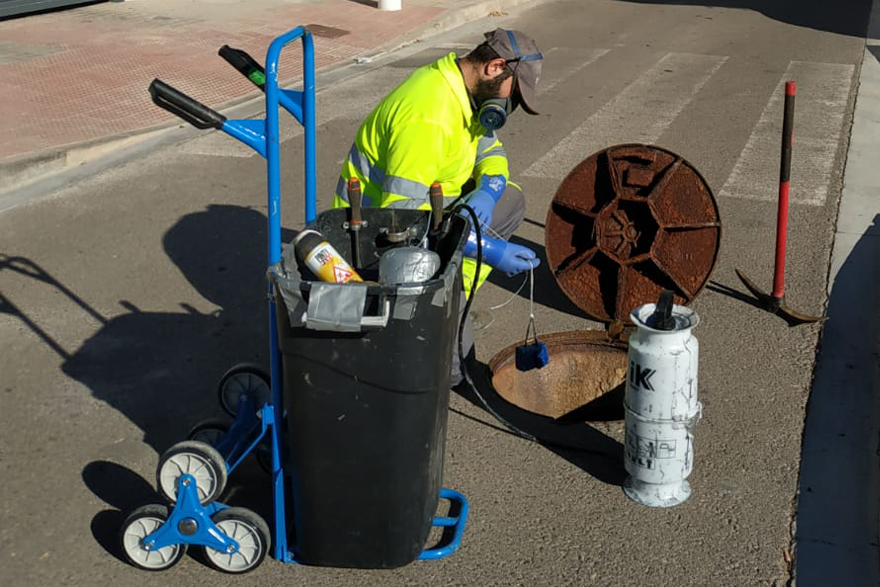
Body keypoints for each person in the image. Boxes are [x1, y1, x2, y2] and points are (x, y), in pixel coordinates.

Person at [333, 28, 544, 385]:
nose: (510, 108)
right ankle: (429, 311)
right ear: (495, 67)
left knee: (510, 199)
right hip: (373, 239)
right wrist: (486, 247)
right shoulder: (428, 114)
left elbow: (490, 151)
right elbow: (402, 223)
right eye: (515, 96)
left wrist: (489, 191)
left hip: (433, 215)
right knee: (454, 374)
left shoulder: (464, 89)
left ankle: (452, 289)